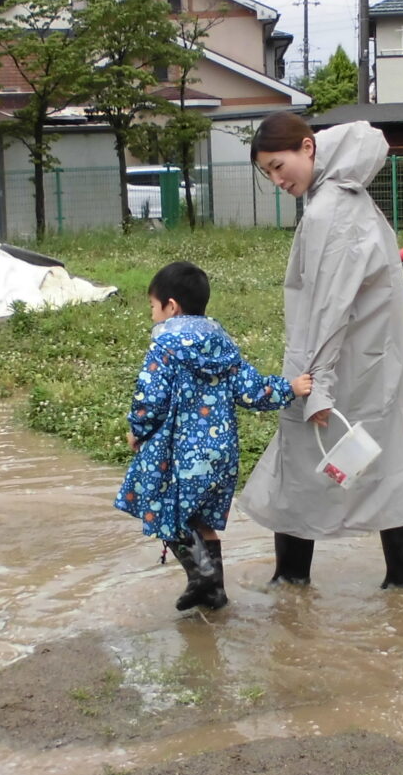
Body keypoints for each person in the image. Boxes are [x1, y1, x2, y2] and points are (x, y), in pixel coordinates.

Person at [240, 114, 403, 588]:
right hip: (375, 359)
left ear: (308, 148)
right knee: (387, 458)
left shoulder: (331, 209)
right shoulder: (347, 194)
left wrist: (317, 385)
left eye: (279, 166)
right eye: (267, 173)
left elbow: (328, 306)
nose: (278, 180)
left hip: (342, 361)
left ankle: (290, 584)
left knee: (301, 463)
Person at [118, 262, 311, 612]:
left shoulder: (163, 347)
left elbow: (150, 399)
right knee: (202, 521)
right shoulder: (222, 346)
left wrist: (138, 430)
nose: (152, 314)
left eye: (152, 306)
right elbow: (251, 391)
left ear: (171, 306)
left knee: (164, 509)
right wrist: (290, 388)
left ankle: (203, 575)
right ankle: (214, 594)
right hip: (221, 454)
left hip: (181, 455)